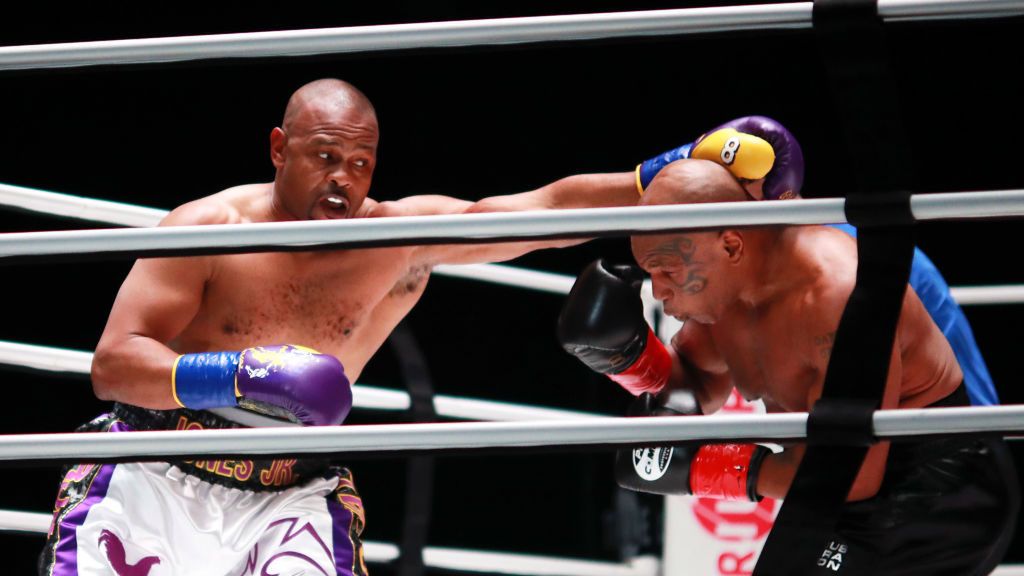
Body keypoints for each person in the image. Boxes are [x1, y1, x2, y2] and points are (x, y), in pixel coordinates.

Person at [37, 78, 644, 576]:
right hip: (155, 473)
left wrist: (660, 181)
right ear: (279, 149)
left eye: (360, 163)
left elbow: (537, 211)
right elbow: (112, 365)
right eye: (325, 157)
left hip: (290, 491)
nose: (344, 180)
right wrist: (239, 376)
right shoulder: (209, 231)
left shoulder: (394, 240)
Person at [558, 159, 1018, 574]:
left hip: (940, 491)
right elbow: (695, 389)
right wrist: (632, 359)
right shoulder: (721, 295)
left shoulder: (836, 296)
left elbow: (848, 477)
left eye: (667, 272)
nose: (657, 294)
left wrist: (706, 469)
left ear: (731, 245)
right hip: (837, 483)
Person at [635, 115, 999, 406]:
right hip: (837, 468)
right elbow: (696, 384)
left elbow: (865, 445)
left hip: (935, 456)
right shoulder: (727, 283)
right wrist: (628, 360)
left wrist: (723, 473)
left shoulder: (854, 272)